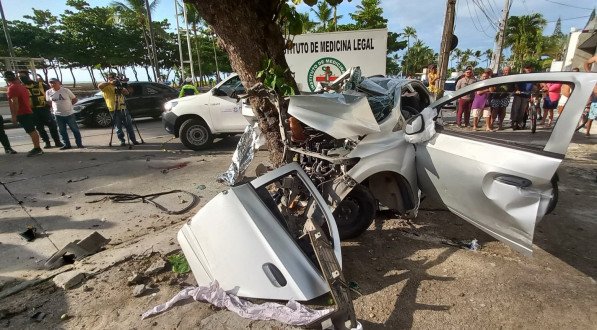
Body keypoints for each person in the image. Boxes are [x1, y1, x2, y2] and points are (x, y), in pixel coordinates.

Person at [18, 70, 63, 149]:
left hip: (44, 109)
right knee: (39, 127)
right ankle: (47, 142)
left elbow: (50, 93)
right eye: (20, 77)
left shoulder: (40, 84)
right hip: (32, 110)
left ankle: (57, 141)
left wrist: (50, 104)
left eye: (23, 76)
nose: (21, 78)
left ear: (27, 76)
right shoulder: (21, 87)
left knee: (52, 125)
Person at [4, 71, 43, 156]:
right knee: (32, 130)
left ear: (7, 79)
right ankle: (37, 147)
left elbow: (15, 103)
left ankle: (37, 148)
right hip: (27, 111)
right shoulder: (21, 86)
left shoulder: (12, 88)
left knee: (31, 131)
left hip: (22, 112)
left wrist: (14, 116)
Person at [98, 73, 139, 146]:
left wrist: (123, 87)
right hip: (113, 109)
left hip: (123, 107)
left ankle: (133, 140)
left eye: (115, 78)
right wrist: (110, 82)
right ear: (109, 78)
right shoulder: (107, 87)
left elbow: (127, 93)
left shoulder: (118, 85)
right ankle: (122, 141)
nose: (114, 79)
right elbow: (99, 86)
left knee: (129, 125)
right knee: (118, 126)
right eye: (112, 78)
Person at [45, 78, 83, 149]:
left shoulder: (66, 90)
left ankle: (79, 144)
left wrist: (69, 106)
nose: (52, 84)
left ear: (58, 83)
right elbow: (48, 102)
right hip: (57, 114)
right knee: (62, 130)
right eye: (50, 83)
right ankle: (67, 144)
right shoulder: (48, 92)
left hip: (69, 114)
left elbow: (75, 99)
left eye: (54, 82)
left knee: (75, 129)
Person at [510, 64, 534, 130]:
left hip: (526, 95)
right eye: (527, 68)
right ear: (524, 69)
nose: (528, 69)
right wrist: (517, 90)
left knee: (522, 111)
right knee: (516, 109)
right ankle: (514, 122)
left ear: (531, 69)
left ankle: (519, 123)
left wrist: (534, 95)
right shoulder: (521, 76)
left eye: (529, 68)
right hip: (519, 94)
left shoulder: (534, 76)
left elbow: (536, 86)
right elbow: (515, 84)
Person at [489, 66, 512, 130]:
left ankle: (500, 124)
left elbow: (514, 86)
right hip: (496, 96)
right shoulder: (498, 77)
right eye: (505, 70)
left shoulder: (511, 78)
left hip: (505, 96)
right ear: (503, 70)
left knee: (503, 110)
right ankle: (491, 123)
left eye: (507, 70)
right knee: (495, 110)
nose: (506, 71)